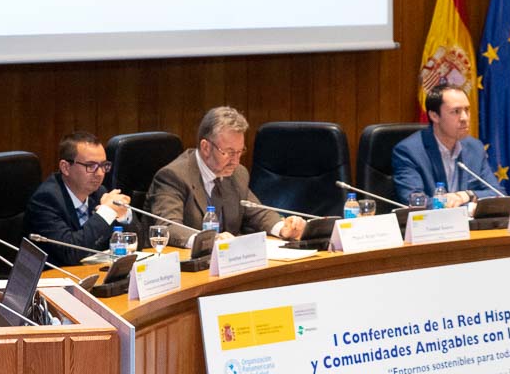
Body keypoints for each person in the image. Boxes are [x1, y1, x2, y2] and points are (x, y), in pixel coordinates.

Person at [146, 106, 306, 246]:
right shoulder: (173, 176)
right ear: (205, 147)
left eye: (240, 152)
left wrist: (283, 228)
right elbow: (169, 227)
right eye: (229, 152)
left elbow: (257, 213)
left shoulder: (238, 174)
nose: (236, 161)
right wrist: (209, 240)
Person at [23, 131, 131, 266]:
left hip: (92, 273)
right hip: (53, 276)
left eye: (103, 165)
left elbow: (138, 242)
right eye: (91, 166)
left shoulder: (99, 193)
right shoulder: (46, 200)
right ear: (66, 167)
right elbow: (70, 253)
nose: (100, 173)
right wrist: (107, 212)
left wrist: (123, 215)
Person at [392, 82, 501, 205]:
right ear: (434, 116)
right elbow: (414, 201)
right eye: (456, 111)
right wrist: (450, 203)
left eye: (467, 110)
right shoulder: (409, 151)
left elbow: (497, 194)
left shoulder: (474, 147)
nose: (465, 118)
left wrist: (466, 195)